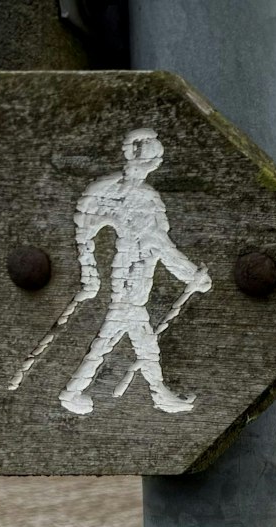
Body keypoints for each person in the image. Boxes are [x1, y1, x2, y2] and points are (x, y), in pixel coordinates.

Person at [57, 128, 211, 416]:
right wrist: (192, 276)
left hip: (136, 278)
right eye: (143, 162)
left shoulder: (143, 197)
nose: (142, 168)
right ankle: (76, 391)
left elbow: (157, 243)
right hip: (129, 279)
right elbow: (161, 246)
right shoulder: (128, 197)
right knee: (123, 339)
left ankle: (82, 390)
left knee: (132, 341)